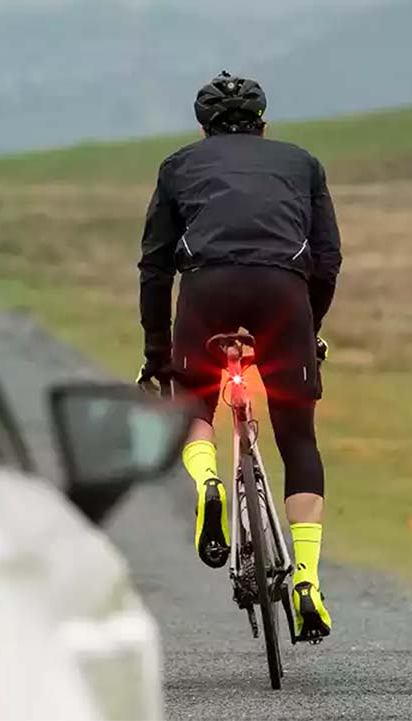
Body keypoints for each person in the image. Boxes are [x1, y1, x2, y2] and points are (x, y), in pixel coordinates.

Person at [136, 70, 341, 641]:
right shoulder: (302, 163)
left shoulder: (178, 167)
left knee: (194, 406)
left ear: (203, 130)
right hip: (284, 298)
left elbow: (154, 265)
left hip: (207, 292)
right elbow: (327, 259)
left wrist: (158, 353)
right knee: (299, 440)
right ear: (264, 125)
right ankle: (305, 579)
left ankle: (209, 486)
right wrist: (309, 328)